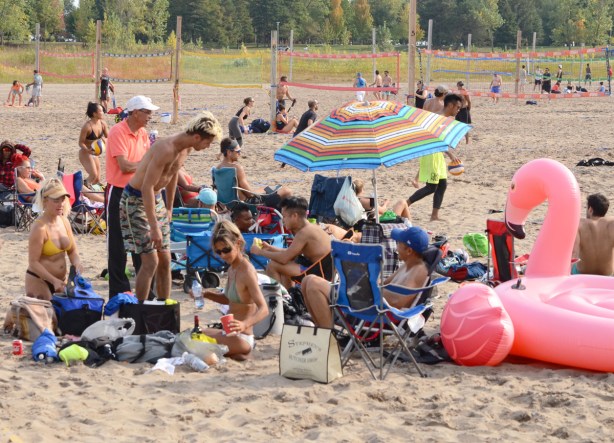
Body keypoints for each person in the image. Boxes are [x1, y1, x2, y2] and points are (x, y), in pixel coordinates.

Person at [120, 112, 223, 301]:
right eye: (207, 143)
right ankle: (140, 309)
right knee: (151, 261)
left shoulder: (186, 148)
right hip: (135, 200)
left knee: (165, 260)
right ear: (197, 137)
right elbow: (146, 187)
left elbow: (173, 173)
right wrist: (154, 227)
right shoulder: (166, 149)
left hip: (156, 199)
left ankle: (164, 306)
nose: (208, 147)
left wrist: (168, 207)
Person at [302, 226, 430, 327]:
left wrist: (369, 291)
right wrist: (367, 283)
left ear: (409, 250)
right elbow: (383, 285)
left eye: (398, 243)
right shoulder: (407, 265)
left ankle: (329, 338)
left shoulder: (419, 270)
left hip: (374, 311)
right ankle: (322, 334)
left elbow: (398, 301)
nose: (396, 248)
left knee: (314, 283)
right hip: (370, 302)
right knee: (306, 281)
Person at [106, 95, 159, 299]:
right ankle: (118, 293)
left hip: (138, 190)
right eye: (147, 112)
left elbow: (143, 162)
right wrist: (148, 165)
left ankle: (145, 293)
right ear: (135, 112)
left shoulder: (143, 133)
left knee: (142, 243)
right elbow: (125, 165)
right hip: (119, 189)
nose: (150, 116)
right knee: (118, 245)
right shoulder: (118, 131)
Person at [200, 221, 268, 360]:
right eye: (218, 252)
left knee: (194, 342)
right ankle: (237, 354)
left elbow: (264, 309)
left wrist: (244, 324)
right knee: (194, 334)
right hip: (230, 333)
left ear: (238, 243)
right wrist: (206, 294)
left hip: (243, 337)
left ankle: (241, 352)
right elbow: (229, 299)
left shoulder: (247, 271)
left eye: (226, 250)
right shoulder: (232, 268)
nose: (223, 255)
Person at [250, 196, 332, 289]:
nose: (283, 220)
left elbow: (284, 258)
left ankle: (279, 298)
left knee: (273, 265)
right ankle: (290, 295)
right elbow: (290, 252)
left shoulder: (304, 233)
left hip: (320, 273)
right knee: (286, 264)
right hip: (322, 269)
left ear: (294, 216)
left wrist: (260, 252)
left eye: (284, 216)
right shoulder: (310, 228)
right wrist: (270, 248)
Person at [26, 178, 83, 300]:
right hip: (39, 280)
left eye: (63, 199)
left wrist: (77, 264)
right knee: (50, 316)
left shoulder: (64, 221)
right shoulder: (39, 227)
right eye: (56, 200)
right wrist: (53, 280)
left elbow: (72, 251)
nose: (61, 204)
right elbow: (33, 262)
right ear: (45, 201)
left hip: (61, 282)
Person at [408, 94, 461, 222]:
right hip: (431, 153)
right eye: (457, 107)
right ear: (450, 105)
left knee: (442, 185)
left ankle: (434, 215)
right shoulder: (438, 119)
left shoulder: (445, 119)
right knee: (431, 187)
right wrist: (450, 154)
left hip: (438, 154)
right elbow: (435, 140)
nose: (458, 110)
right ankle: (406, 203)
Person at [216, 137, 292, 209]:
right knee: (286, 191)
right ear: (229, 152)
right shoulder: (236, 168)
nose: (239, 154)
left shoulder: (217, 169)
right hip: (246, 205)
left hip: (228, 205)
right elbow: (250, 194)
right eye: (238, 151)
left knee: (265, 188)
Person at [572, 194, 614, 276]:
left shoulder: (579, 224)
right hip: (606, 275)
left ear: (590, 209)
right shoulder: (612, 223)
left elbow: (574, 253)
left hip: (582, 273)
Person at [78, 102, 109, 186]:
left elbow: (109, 137)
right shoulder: (87, 126)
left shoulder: (103, 124)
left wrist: (104, 140)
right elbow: (80, 142)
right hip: (85, 152)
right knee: (93, 175)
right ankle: (81, 188)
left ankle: (86, 188)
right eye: (101, 111)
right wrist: (87, 150)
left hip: (95, 153)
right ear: (94, 114)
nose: (103, 112)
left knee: (97, 179)